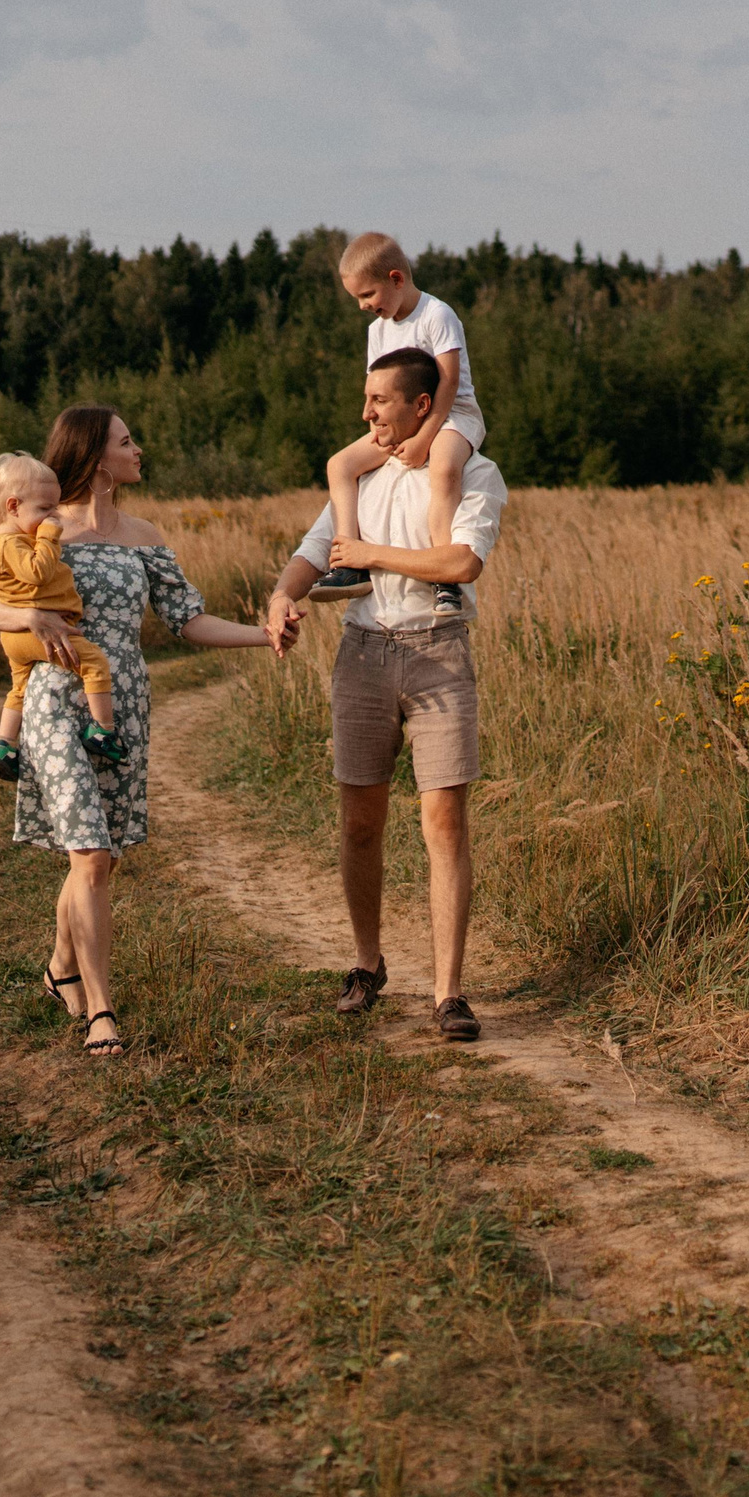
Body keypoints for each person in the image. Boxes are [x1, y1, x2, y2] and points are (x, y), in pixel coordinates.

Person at [0, 405, 277, 1055]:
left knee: (99, 856)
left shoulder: (143, 535)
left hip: (122, 703)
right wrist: (27, 616)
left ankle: (60, 968)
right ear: (96, 457)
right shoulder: (42, 522)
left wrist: (264, 635)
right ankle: (101, 1011)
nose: (138, 450)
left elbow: (187, 618)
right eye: (126, 441)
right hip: (55, 700)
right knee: (90, 854)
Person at [265, 347, 507, 1042]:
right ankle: (367, 965)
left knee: (445, 824)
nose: (365, 412)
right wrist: (281, 595)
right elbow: (315, 552)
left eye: (379, 400)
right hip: (363, 655)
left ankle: (449, 994)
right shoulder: (362, 477)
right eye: (366, 398)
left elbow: (462, 562)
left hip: (440, 652)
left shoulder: (473, 473)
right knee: (359, 823)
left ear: (421, 405)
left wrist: (370, 555)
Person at [313, 232, 483, 618]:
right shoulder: (378, 331)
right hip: (402, 421)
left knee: (443, 467)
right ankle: (348, 563)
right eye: (357, 298)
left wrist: (424, 438)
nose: (362, 305)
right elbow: (378, 389)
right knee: (340, 465)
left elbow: (449, 383)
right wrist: (379, 431)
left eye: (367, 294)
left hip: (451, 414)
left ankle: (445, 577)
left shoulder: (437, 314)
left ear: (396, 279)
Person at [0, 451, 124, 783]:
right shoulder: (13, 543)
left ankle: (3, 745)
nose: (52, 516)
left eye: (54, 508)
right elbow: (38, 572)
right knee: (94, 663)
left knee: (19, 688)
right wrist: (48, 536)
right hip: (38, 632)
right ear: (13, 506)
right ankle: (103, 730)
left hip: (15, 636)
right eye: (44, 509)